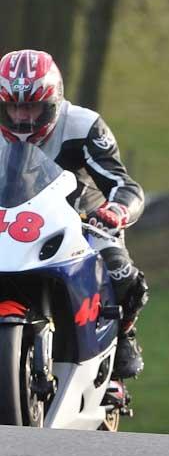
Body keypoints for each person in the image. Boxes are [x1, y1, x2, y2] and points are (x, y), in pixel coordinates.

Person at [0, 49, 148, 377]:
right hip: (10, 228)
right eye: (13, 106)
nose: (22, 117)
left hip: (81, 224)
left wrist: (116, 210)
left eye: (31, 105)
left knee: (122, 272)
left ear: (52, 101)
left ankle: (123, 334)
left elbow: (124, 185)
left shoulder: (83, 125)